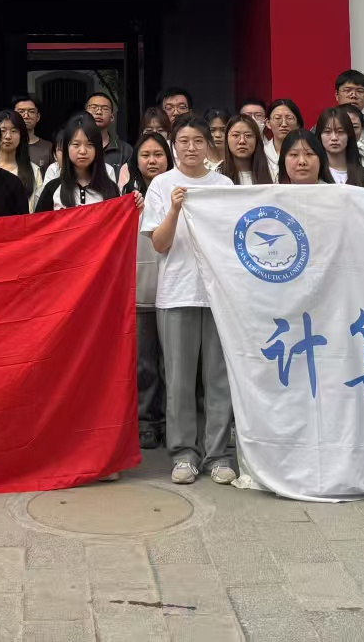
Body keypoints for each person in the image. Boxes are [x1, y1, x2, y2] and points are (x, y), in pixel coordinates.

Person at [143, 116, 237, 485]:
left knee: (218, 378)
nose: (191, 147)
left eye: (198, 140)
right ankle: (184, 454)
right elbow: (159, 244)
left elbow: (232, 239)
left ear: (208, 144)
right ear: (174, 144)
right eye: (183, 141)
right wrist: (174, 209)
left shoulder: (223, 185)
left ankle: (218, 454)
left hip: (218, 294)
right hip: (177, 292)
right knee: (179, 380)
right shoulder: (161, 184)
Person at [125, 131, 172, 450]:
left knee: (173, 364)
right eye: (145, 155)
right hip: (140, 289)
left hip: (174, 290)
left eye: (158, 154)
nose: (152, 161)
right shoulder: (125, 196)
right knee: (144, 364)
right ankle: (146, 422)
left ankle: (172, 422)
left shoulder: (178, 192)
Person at [36, 117, 123, 210]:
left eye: (90, 144)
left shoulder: (110, 189)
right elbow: (40, 219)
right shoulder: (52, 188)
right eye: (76, 144)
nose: (83, 151)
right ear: (66, 148)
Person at [315, 107, 364, 188]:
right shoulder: (314, 175)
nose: (334, 138)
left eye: (340, 132)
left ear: (349, 135)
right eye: (327, 132)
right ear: (320, 135)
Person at [334, 71, 364, 172]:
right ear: (336, 95)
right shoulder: (321, 129)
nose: (353, 95)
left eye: (359, 91)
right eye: (347, 90)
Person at [0, 109, 36, 202]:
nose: (8, 136)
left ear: (21, 135)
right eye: (3, 131)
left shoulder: (34, 171)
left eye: (13, 131)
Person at [219, 114, 274, 185]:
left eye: (248, 135)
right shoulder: (216, 175)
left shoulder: (273, 174)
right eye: (235, 135)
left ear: (257, 140)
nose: (242, 141)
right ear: (227, 139)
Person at [84, 90, 130, 175]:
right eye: (93, 107)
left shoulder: (125, 151)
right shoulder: (76, 148)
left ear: (112, 117)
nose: (98, 112)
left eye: (105, 108)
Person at [15, 93, 54, 175]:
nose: (26, 116)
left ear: (38, 117)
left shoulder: (48, 147)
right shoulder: (6, 146)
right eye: (21, 111)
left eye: (31, 111)